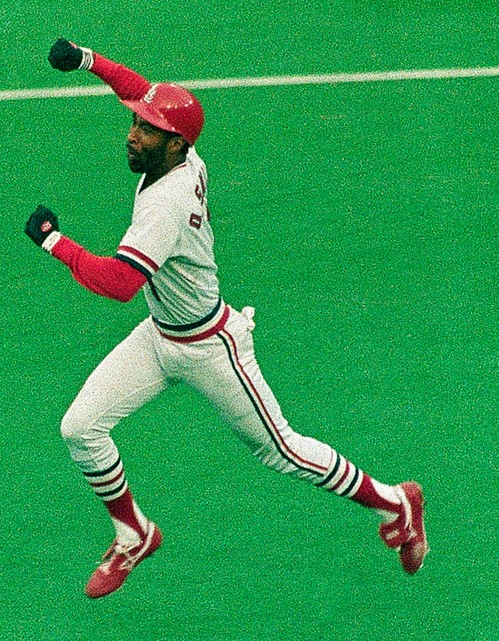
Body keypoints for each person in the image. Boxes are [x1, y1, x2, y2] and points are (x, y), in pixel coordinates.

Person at [24, 38, 429, 599]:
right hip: (159, 335)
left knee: (282, 451)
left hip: (212, 347)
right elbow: (138, 89)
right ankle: (133, 533)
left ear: (174, 144)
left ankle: (396, 502)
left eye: (146, 131)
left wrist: (53, 243)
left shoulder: (166, 206)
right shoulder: (180, 154)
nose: (132, 135)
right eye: (136, 125)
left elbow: (118, 284)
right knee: (80, 428)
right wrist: (87, 59)